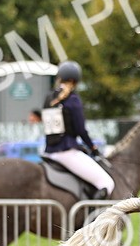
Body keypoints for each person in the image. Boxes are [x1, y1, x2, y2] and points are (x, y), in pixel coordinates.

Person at [40, 60, 114, 199]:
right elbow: (81, 130)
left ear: (59, 78)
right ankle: (93, 219)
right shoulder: (72, 99)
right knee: (107, 182)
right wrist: (92, 147)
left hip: (48, 151)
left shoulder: (49, 97)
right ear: (75, 80)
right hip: (66, 152)